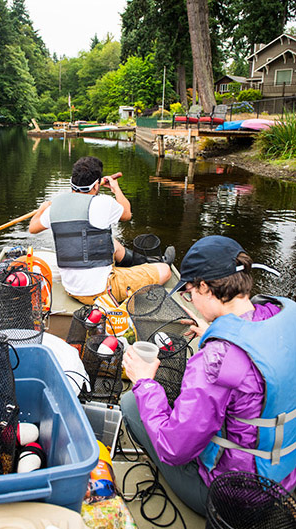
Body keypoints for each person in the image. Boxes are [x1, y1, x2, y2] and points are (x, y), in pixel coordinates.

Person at [121, 235, 296, 515]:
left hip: (231, 499)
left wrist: (144, 382)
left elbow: (173, 448)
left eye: (189, 292)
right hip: (283, 482)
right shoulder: (283, 316)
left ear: (204, 286)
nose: (190, 300)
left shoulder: (216, 360)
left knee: (131, 403)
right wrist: (215, 331)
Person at [29, 156, 174, 305]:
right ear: (96, 185)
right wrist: (115, 188)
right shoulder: (103, 203)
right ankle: (152, 265)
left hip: (71, 288)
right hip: (101, 292)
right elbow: (127, 213)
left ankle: (141, 265)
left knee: (113, 243)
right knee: (165, 271)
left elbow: (32, 228)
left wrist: (42, 209)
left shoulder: (55, 207)